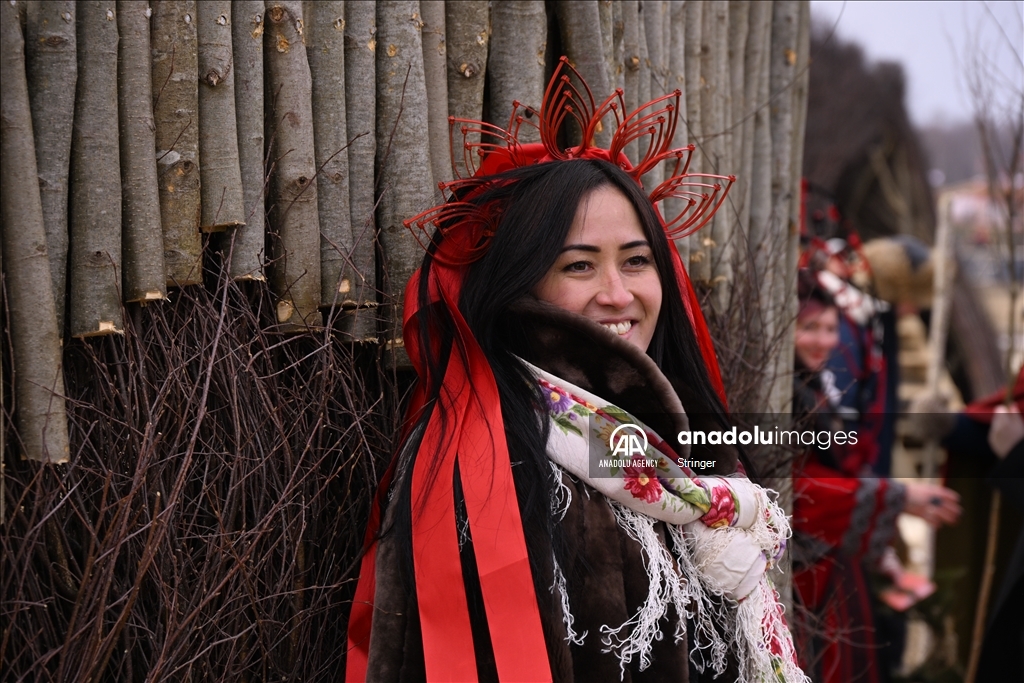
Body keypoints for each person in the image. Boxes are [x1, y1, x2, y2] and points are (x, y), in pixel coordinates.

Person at [345, 60, 807, 682]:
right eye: (580, 266)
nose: (618, 294)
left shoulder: (687, 452)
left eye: (637, 261)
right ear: (523, 280)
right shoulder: (488, 465)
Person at [790, 270, 961, 683]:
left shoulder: (814, 390)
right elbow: (796, 492)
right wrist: (897, 497)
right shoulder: (785, 396)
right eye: (810, 327)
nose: (825, 341)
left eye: (831, 328)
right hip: (804, 577)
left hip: (832, 568)